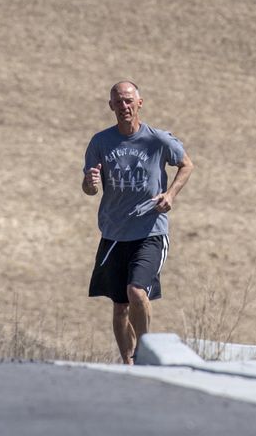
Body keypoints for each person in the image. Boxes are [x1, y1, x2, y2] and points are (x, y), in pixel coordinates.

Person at [81, 80, 194, 363]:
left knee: (136, 292)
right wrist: (90, 182)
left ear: (139, 103)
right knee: (120, 307)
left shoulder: (157, 140)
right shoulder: (100, 142)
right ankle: (128, 363)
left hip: (150, 232)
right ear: (111, 106)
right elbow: (90, 189)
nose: (124, 106)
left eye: (129, 101)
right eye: (118, 102)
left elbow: (186, 164)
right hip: (114, 234)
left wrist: (171, 194)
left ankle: (145, 352)